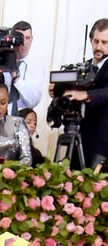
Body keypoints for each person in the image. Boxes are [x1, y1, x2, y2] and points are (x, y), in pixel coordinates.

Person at [63, 18, 108, 168]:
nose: (99, 47)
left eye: (104, 42)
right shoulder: (83, 67)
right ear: (90, 40)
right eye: (96, 41)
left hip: (103, 144)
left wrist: (86, 95)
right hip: (79, 139)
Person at [0, 21, 45, 115]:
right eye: (20, 38)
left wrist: (16, 79)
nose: (24, 43)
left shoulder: (36, 67)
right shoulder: (0, 61)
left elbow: (33, 101)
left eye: (27, 38)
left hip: (23, 120)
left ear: (32, 39)